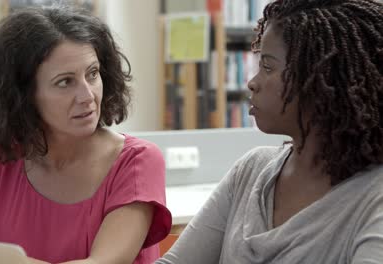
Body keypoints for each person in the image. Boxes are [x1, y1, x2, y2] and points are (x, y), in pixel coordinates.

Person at [0, 5, 171, 264]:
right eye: (65, 82)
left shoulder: (136, 162)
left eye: (92, 74)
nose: (87, 96)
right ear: (24, 96)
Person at [157, 0, 383, 263]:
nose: (252, 83)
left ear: (321, 79)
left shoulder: (373, 199)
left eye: (267, 67)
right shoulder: (251, 170)